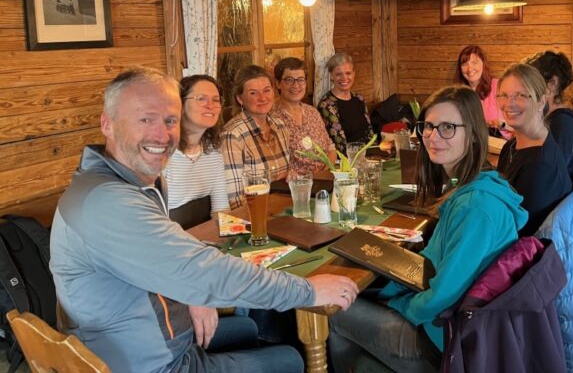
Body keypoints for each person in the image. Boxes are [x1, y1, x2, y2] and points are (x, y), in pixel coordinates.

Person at [50, 67, 358, 373]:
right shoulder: (108, 201)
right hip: (153, 362)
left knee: (250, 328)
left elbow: (174, 252)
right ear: (107, 124)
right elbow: (203, 272)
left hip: (151, 333)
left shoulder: (123, 181)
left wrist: (191, 291)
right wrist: (309, 291)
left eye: (170, 121)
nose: (161, 135)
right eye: (145, 119)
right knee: (290, 358)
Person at [328, 85, 529, 372]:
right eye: (429, 126)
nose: (433, 137)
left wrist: (398, 304)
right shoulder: (478, 183)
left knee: (336, 310)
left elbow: (442, 296)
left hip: (445, 341)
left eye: (448, 127)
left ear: (473, 134)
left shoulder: (474, 208)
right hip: (452, 325)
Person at [496, 64, 572, 235]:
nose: (509, 104)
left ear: (541, 101)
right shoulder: (511, 146)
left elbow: (521, 231)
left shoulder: (540, 165)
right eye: (503, 95)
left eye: (521, 95)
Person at [222, 65, 291, 207]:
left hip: (285, 208)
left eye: (267, 90)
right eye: (253, 93)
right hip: (254, 213)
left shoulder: (280, 125)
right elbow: (235, 200)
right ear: (240, 99)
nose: (263, 98)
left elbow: (289, 175)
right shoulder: (232, 136)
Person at [165, 75, 230, 219]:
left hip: (202, 231)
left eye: (216, 100)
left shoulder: (214, 149)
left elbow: (221, 209)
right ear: (180, 104)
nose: (210, 105)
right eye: (201, 99)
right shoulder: (162, 151)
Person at [525, 51, 573, 187]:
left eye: (532, 83)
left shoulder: (562, 125)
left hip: (553, 197)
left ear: (552, 83)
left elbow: (550, 175)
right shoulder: (554, 118)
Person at [272, 57, 336, 175]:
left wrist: (326, 168)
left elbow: (330, 148)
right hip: (293, 183)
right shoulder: (272, 117)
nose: (296, 85)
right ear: (278, 83)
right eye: (289, 80)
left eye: (300, 80)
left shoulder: (312, 112)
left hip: (324, 178)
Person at [317, 52, 374, 154]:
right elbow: (340, 145)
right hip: (346, 159)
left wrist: (376, 153)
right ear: (331, 76)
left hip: (367, 155)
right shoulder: (326, 104)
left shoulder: (359, 99)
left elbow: (369, 134)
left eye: (348, 73)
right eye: (339, 74)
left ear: (354, 74)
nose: (344, 78)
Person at [453, 45, 505, 134]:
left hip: (497, 139)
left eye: (474, 62)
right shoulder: (458, 94)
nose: (469, 69)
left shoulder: (498, 86)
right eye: (465, 64)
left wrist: (500, 124)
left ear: (483, 63)